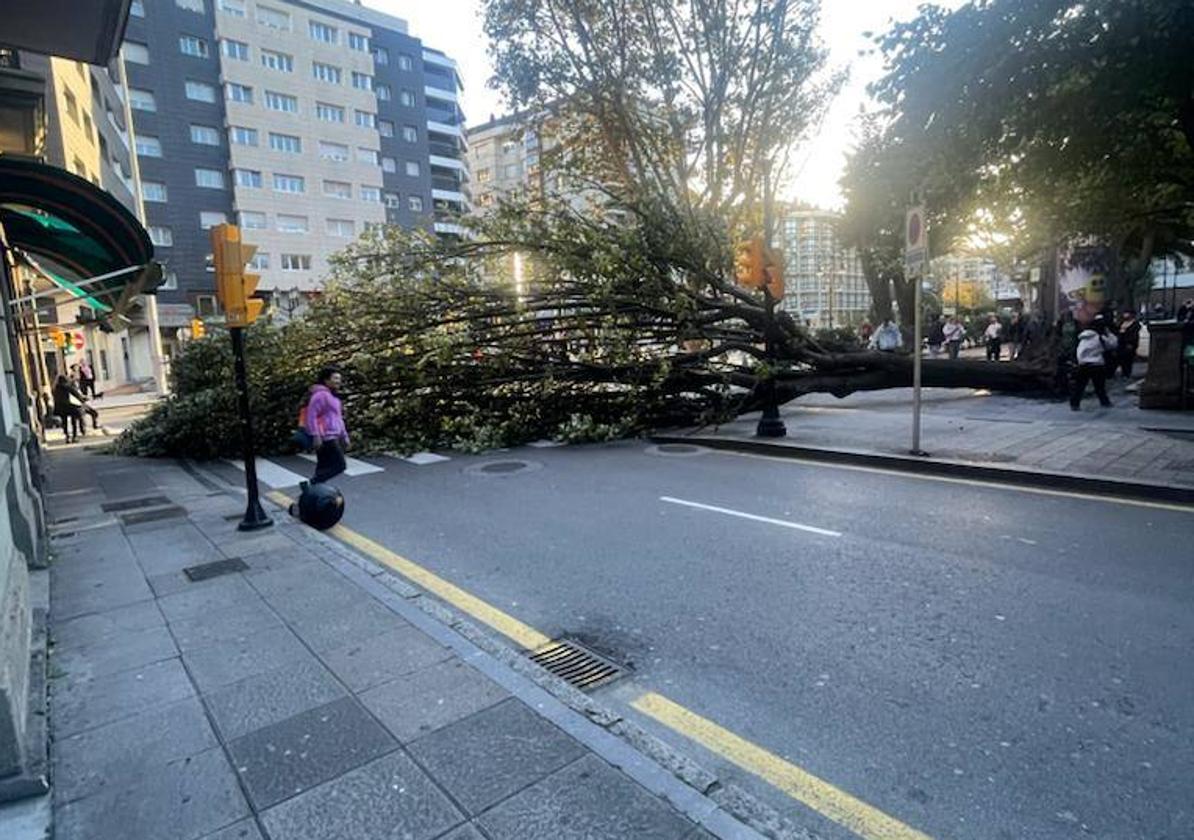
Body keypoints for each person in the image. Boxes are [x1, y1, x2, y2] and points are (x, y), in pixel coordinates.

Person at [305, 367, 348, 484]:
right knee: (340, 465)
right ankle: (312, 483)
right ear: (326, 380)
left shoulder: (334, 397)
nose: (338, 381)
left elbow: (338, 418)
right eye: (335, 378)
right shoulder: (320, 395)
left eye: (339, 378)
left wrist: (344, 436)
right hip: (326, 437)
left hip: (333, 436)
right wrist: (315, 435)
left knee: (322, 469)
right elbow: (311, 416)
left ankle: (307, 498)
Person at [1071, 316, 1117, 410]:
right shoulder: (1100, 338)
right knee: (1099, 386)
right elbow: (1113, 344)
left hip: (1083, 364)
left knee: (1080, 386)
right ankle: (1104, 402)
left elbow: (1079, 351)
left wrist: (1080, 361)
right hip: (1097, 364)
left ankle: (1075, 403)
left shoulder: (1083, 337)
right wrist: (1109, 333)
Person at [52, 374, 86, 442]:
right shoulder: (67, 386)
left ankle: (67, 436)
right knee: (74, 420)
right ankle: (74, 436)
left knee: (64, 422)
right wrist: (82, 400)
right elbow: (76, 394)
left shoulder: (55, 388)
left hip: (60, 408)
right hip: (69, 406)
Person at [1117, 310, 1142, 378]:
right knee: (1121, 358)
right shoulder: (1122, 323)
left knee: (1128, 359)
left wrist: (1131, 343)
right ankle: (1123, 372)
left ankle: (1127, 373)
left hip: (1130, 343)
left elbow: (1134, 335)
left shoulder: (1135, 324)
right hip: (1121, 343)